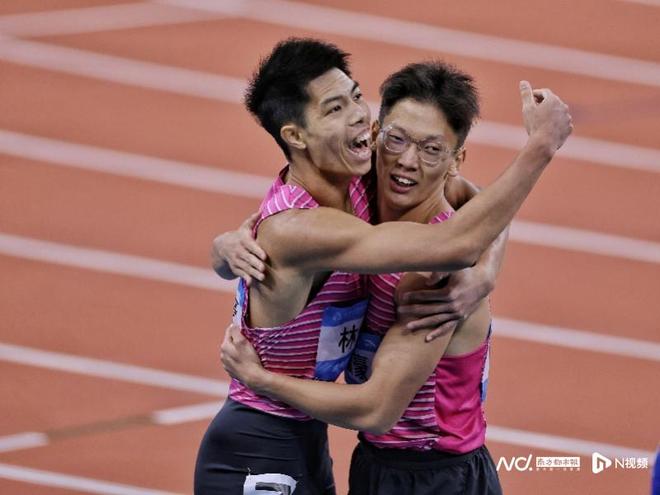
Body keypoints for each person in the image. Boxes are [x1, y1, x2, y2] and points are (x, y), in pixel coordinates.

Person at [195, 37, 572, 495]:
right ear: (296, 136)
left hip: (397, 465)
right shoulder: (309, 222)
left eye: (356, 97)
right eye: (335, 108)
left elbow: (474, 206)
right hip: (261, 448)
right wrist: (541, 145)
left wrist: (485, 271)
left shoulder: (365, 184)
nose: (359, 116)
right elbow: (459, 239)